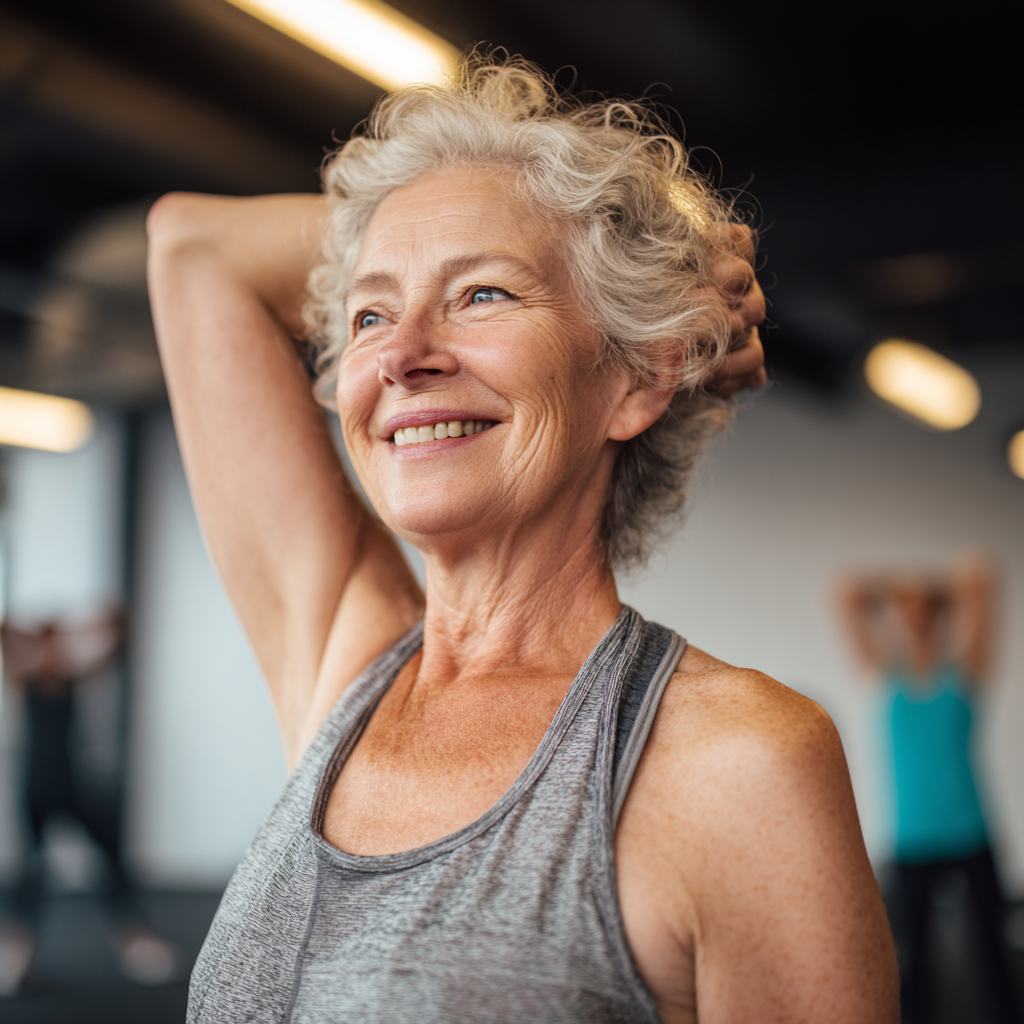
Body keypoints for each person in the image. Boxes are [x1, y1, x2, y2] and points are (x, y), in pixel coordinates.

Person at [147, 57, 897, 1023]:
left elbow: (194, 250)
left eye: (483, 296)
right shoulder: (349, 668)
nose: (405, 355)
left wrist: (631, 273)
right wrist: (604, 261)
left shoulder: (736, 762)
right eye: (371, 314)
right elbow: (188, 247)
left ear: (632, 380)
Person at [841, 559, 1019, 1023]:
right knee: (912, 966)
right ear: (897, 621)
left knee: (995, 959)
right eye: (908, 614)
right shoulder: (883, 680)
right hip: (911, 840)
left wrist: (932, 592)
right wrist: (903, 589)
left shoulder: (964, 675)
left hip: (972, 831)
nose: (917, 621)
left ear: (942, 617)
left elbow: (981, 577)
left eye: (927, 613)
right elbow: (846, 592)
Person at [0, 613, 178, 992]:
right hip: (35, 790)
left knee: (109, 866)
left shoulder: (71, 678)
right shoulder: (22, 678)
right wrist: (39, 630)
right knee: (31, 876)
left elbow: (116, 631)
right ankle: (18, 956)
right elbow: (6, 636)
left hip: (73, 787)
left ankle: (139, 947)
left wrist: (77, 628)